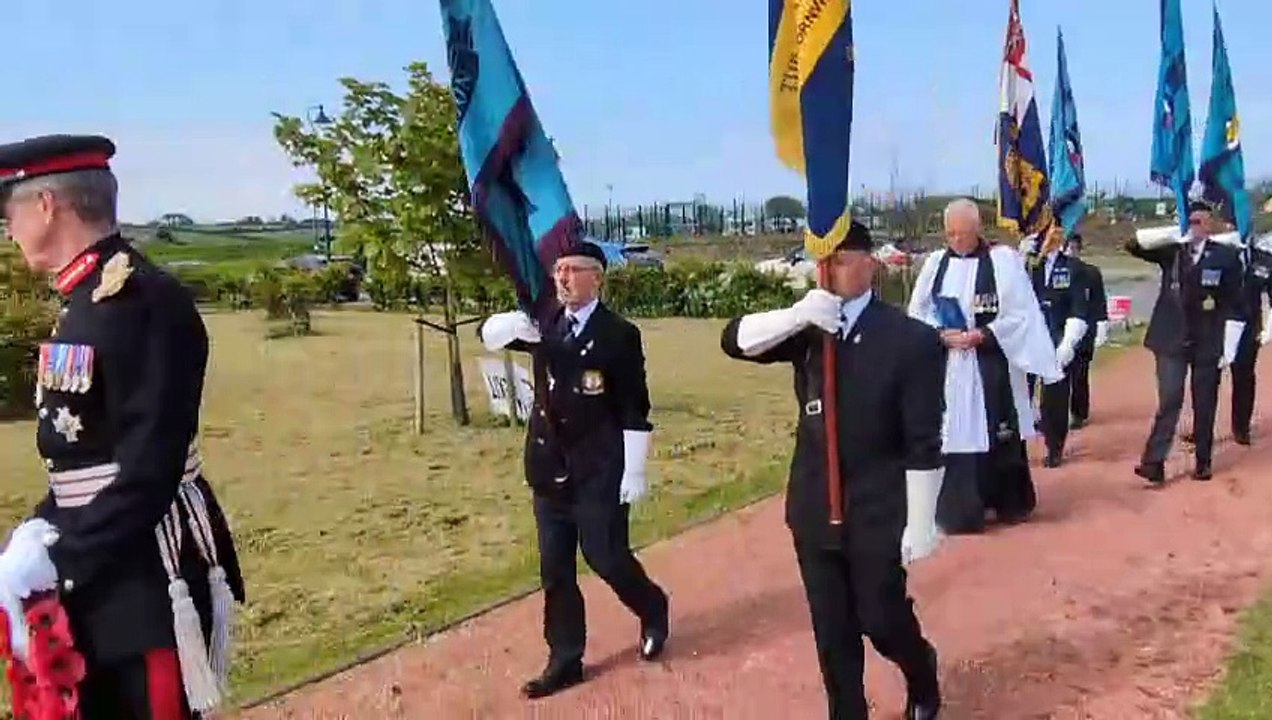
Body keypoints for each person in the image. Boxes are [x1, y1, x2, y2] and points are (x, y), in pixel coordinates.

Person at [0, 134, 245, 718]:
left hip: (145, 582)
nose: (6, 228)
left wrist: (65, 554)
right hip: (105, 573)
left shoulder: (142, 301)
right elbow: (85, 453)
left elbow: (150, 470)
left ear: (46, 205)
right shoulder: (86, 300)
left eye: (8, 211)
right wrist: (37, 531)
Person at [720, 220, 944, 720]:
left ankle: (920, 669)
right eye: (822, 261)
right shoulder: (806, 329)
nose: (830, 272)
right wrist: (797, 315)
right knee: (832, 633)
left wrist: (923, 519)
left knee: (882, 619)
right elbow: (733, 340)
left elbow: (924, 440)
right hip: (815, 505)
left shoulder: (911, 341)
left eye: (840, 259)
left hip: (878, 506)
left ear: (871, 264)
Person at [476, 241, 669, 699]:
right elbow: (489, 336)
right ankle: (565, 660)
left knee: (606, 557)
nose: (562, 278)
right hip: (548, 467)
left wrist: (634, 470)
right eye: (558, 270)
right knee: (555, 570)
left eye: (573, 270)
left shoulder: (619, 334)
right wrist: (509, 324)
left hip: (598, 469)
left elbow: (633, 406)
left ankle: (652, 606)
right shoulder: (545, 324)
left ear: (597, 277)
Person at [907, 199, 1062, 534]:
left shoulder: (1002, 262)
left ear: (977, 229)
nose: (957, 241)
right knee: (954, 428)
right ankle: (960, 509)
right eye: (950, 234)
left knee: (998, 424)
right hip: (950, 363)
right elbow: (918, 312)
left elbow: (1022, 315)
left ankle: (1009, 500)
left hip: (991, 361)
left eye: (963, 234)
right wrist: (940, 335)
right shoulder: (935, 264)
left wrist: (984, 333)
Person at [1124, 199, 1246, 483]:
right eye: (1190, 222)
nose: (1195, 228)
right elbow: (1132, 244)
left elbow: (1235, 302)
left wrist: (1229, 344)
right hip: (1171, 337)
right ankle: (1153, 462)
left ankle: (1203, 461)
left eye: (1200, 222)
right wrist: (1171, 232)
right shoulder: (1172, 251)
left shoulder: (1225, 257)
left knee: (1204, 401)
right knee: (1170, 399)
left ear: (1211, 224)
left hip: (1207, 338)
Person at [1020, 224, 1090, 467]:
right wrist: (1018, 258)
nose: (1049, 239)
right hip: (1027, 339)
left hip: (1057, 337)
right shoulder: (1028, 266)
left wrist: (1069, 341)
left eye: (1054, 233)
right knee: (1020, 395)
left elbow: (1079, 307)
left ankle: (1054, 446)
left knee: (1055, 399)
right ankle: (1017, 446)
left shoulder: (1073, 268)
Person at [1230, 236, 1272, 444]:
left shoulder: (1264, 258)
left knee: (1244, 376)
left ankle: (1241, 427)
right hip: (1216, 325)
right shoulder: (1221, 253)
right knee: (1207, 378)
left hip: (1248, 325)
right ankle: (1201, 427)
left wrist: (1268, 329)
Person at [1063, 233, 1108, 429]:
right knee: (1058, 374)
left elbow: (1099, 301)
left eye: (1074, 248)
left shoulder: (1091, 272)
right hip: (1060, 329)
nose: (1070, 251)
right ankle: (1056, 413)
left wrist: (1102, 325)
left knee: (1079, 373)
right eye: (1067, 247)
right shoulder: (1055, 271)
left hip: (1085, 329)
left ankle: (1079, 412)